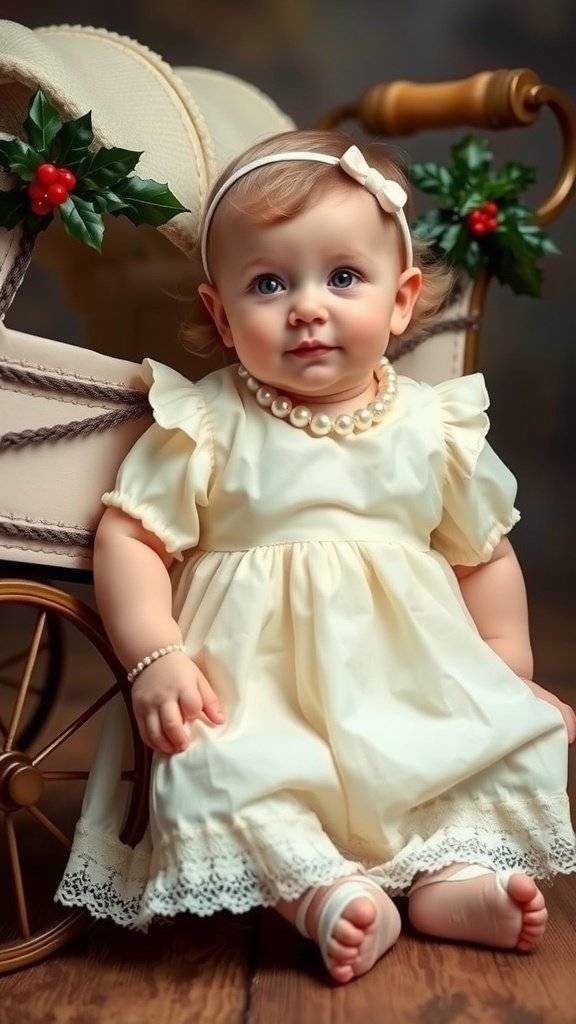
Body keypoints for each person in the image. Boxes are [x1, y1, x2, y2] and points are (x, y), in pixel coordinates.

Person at [55, 129, 576, 985]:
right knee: (217, 765)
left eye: (342, 277)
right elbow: (133, 537)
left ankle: (454, 876)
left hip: (409, 679)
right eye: (269, 283)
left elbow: (483, 555)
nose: (306, 307)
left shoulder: (432, 425)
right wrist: (155, 654)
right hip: (253, 684)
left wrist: (505, 667)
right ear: (220, 316)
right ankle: (321, 891)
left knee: (481, 746)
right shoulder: (206, 421)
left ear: (402, 300)